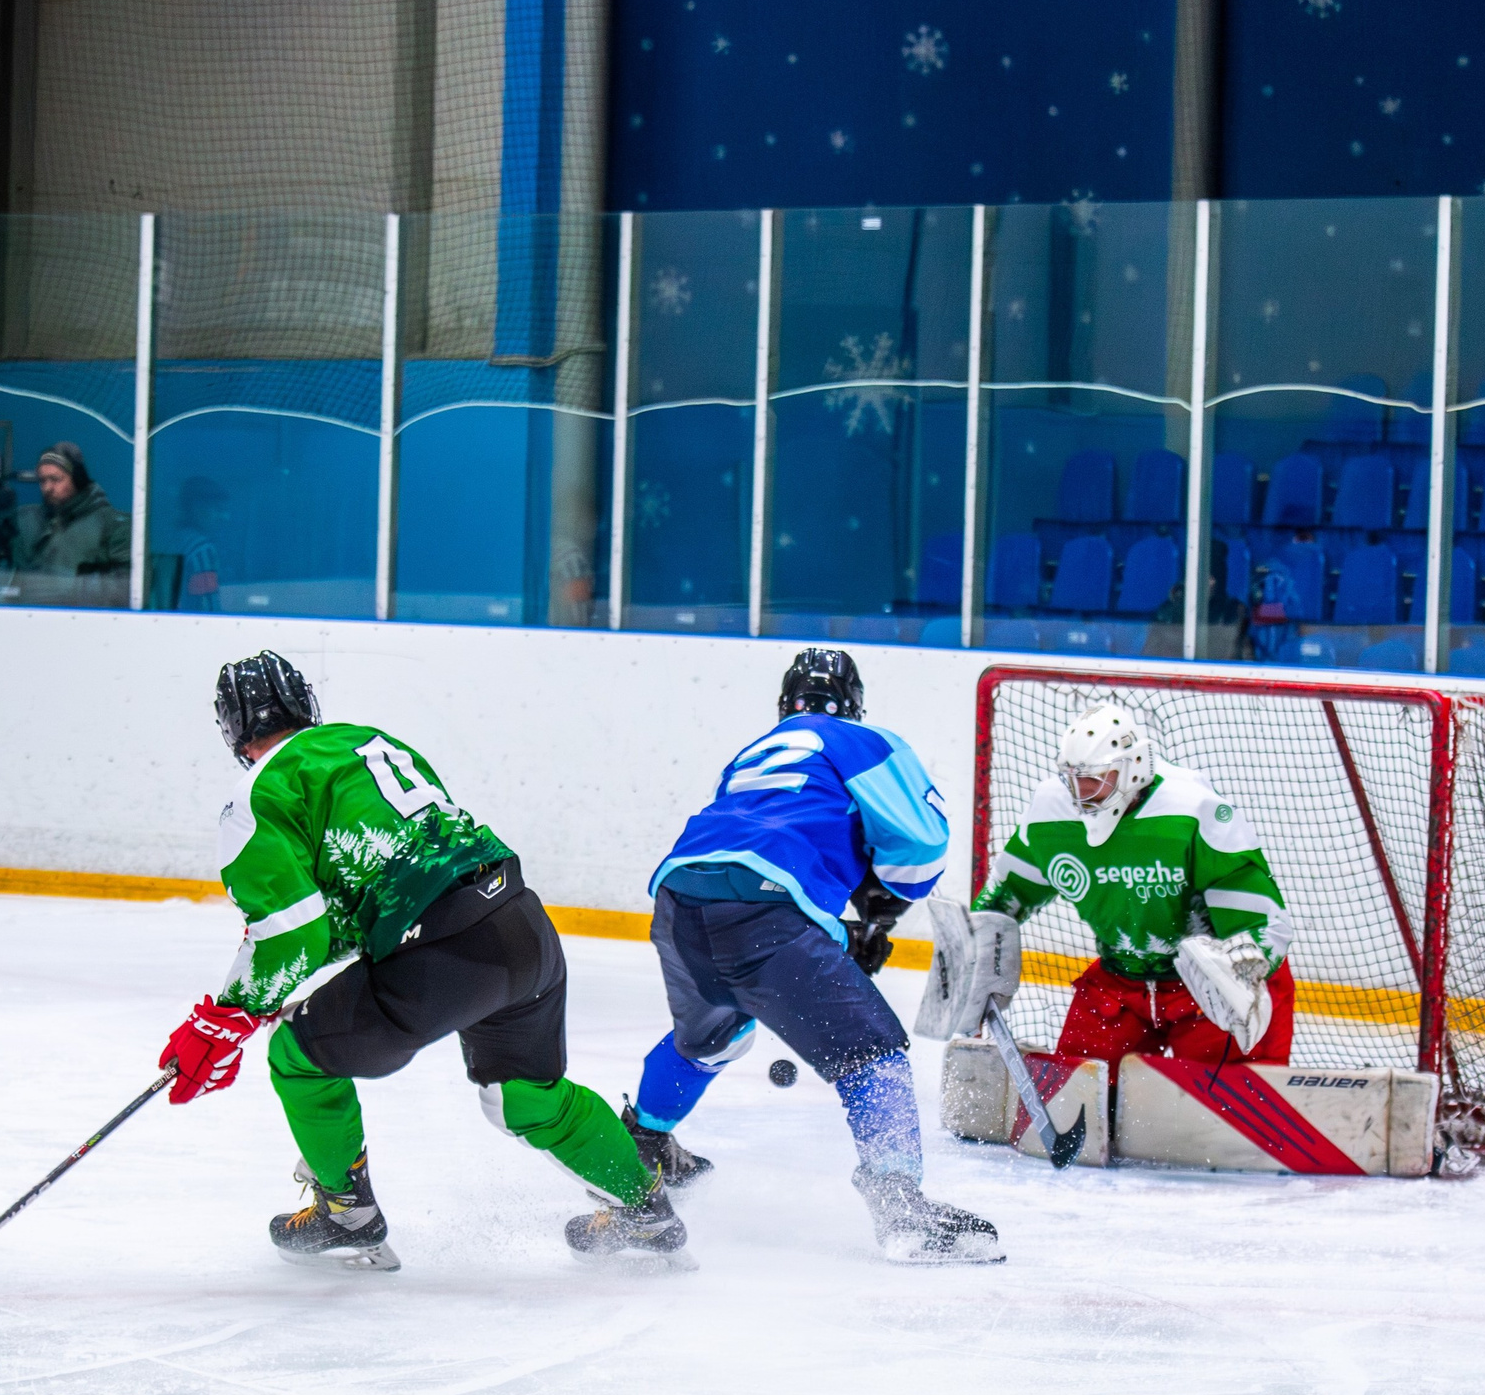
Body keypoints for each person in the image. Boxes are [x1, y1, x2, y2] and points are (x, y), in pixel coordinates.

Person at [156, 650, 691, 1270]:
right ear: (306, 704)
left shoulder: (262, 791)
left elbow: (290, 934)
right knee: (524, 1096)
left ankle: (346, 1214)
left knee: (296, 1056)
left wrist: (227, 1018)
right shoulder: (372, 743)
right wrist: (269, 996)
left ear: (232, 730)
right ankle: (644, 1211)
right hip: (521, 925)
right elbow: (379, 887)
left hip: (441, 954)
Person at [622, 648, 1001, 1264]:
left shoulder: (755, 751)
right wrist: (880, 913)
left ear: (783, 705)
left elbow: (764, 837)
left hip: (678, 897)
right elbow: (922, 844)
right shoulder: (857, 740)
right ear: (852, 706)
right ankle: (898, 1202)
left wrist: (835, 927)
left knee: (712, 1035)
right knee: (872, 1053)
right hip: (766, 909)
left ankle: (645, 1143)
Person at [919, 703, 1294, 1095]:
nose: (1081, 795)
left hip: (1204, 994)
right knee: (1071, 1097)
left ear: (1133, 767)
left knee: (1231, 1116)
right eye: (1073, 780)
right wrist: (975, 948)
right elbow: (1008, 893)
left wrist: (1247, 968)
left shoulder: (1193, 809)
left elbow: (1260, 919)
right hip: (1121, 983)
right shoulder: (1052, 813)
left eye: (1095, 780)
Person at [0, 441, 131, 606]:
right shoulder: (26, 519)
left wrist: (63, 592)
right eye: (43, 480)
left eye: (56, 479)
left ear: (78, 480)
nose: (47, 488)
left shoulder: (112, 525)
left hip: (83, 625)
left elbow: (127, 589)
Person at [168, 476, 228, 613]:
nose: (225, 517)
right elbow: (207, 605)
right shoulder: (202, 550)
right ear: (196, 507)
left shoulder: (176, 540)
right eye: (218, 509)